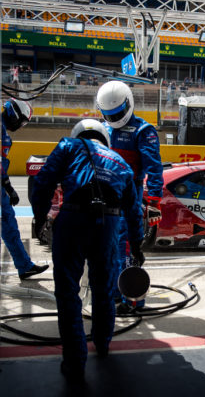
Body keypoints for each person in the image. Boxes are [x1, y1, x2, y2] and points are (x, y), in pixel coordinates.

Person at [31, 119, 144, 379]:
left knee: (68, 291)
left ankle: (74, 361)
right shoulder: (120, 161)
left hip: (73, 219)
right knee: (104, 289)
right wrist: (136, 245)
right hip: (110, 225)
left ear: (79, 134)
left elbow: (44, 182)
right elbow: (134, 210)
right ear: (104, 139)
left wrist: (39, 218)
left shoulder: (69, 145)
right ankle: (102, 345)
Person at [96, 81, 163, 311]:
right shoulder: (101, 128)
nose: (114, 118)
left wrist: (154, 201)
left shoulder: (144, 131)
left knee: (128, 248)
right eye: (110, 115)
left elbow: (154, 168)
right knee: (107, 247)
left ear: (128, 103)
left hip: (129, 193)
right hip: (103, 194)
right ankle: (115, 294)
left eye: (118, 113)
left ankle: (133, 300)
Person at [1, 99, 49, 280]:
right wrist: (8, 187)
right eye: (22, 122)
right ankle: (24, 266)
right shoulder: (2, 135)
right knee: (8, 223)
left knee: (7, 225)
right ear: (14, 114)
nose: (21, 126)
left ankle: (24, 266)